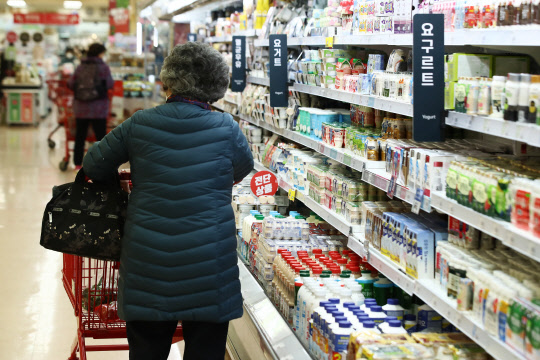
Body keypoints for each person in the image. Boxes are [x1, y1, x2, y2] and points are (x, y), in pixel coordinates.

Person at [81, 42, 254, 360]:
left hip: (149, 261)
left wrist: (118, 186)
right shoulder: (227, 128)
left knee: (147, 349)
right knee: (206, 350)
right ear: (215, 86)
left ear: (168, 81)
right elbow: (243, 169)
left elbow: (93, 163)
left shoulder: (140, 123)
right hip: (209, 261)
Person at [68, 43, 114, 169]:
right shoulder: (103, 67)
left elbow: (71, 83)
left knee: (80, 136)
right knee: (100, 137)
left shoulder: (80, 66)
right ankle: (101, 163)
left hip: (81, 107)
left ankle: (77, 164)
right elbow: (109, 83)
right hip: (99, 108)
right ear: (100, 54)